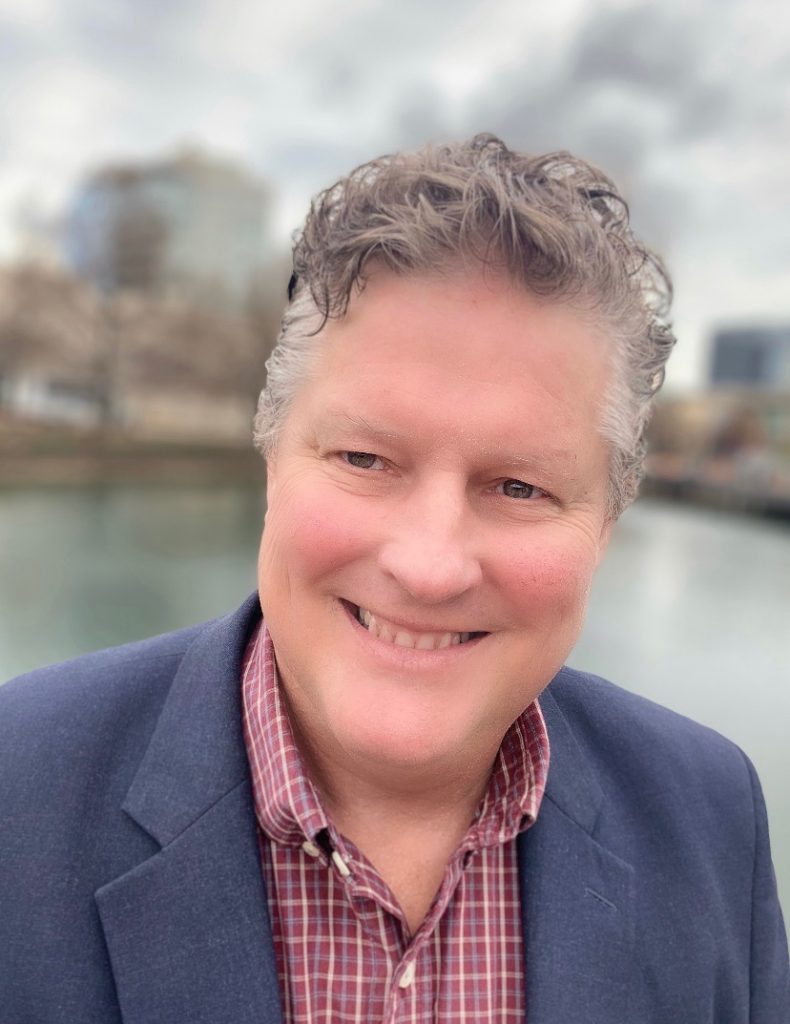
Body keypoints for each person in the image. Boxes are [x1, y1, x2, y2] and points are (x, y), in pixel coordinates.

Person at [1, 135, 787, 1024]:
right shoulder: (14, 788)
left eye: (519, 487)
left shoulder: (713, 818)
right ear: (270, 460)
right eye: (365, 458)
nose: (429, 565)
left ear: (608, 521)